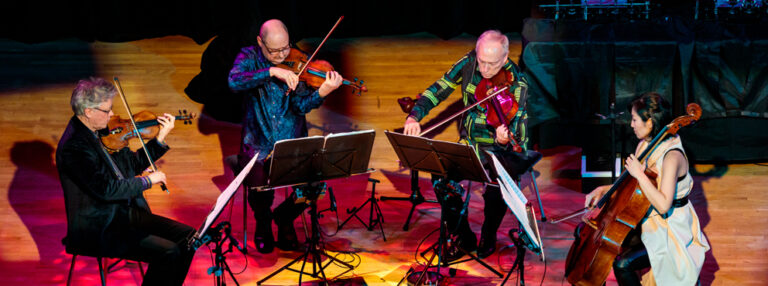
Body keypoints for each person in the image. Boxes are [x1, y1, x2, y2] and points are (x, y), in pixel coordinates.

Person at [403, 30, 530, 259]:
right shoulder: (469, 62)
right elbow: (439, 88)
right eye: (482, 61)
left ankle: (488, 234)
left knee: (496, 190)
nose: (485, 70)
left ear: (505, 58)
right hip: (469, 144)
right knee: (440, 178)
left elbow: (520, 137)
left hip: (498, 151)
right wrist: (415, 115)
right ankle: (462, 235)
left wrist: (504, 139)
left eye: (492, 64)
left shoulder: (518, 84)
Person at [56, 77, 196, 285]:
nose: (112, 114)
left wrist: (159, 139)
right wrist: (147, 181)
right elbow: (106, 189)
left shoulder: (99, 131)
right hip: (99, 227)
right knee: (169, 252)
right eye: (107, 110)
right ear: (88, 111)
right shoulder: (74, 148)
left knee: (189, 238)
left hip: (123, 213)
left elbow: (130, 164)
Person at [228, 19, 343, 253]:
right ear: (260, 42)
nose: (282, 55)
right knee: (260, 190)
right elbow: (234, 81)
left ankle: (284, 218)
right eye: (274, 50)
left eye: (285, 48)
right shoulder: (248, 57)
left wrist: (322, 92)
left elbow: (300, 107)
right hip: (258, 144)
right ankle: (263, 223)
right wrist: (271, 71)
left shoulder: (298, 61)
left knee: (313, 186)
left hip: (293, 141)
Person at [584, 92, 710, 285]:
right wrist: (605, 189)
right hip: (647, 217)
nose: (631, 124)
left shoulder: (672, 157)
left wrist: (640, 174)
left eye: (634, 119)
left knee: (622, 265)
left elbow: (663, 205)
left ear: (650, 121)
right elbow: (634, 185)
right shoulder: (645, 144)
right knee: (605, 243)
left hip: (671, 227)